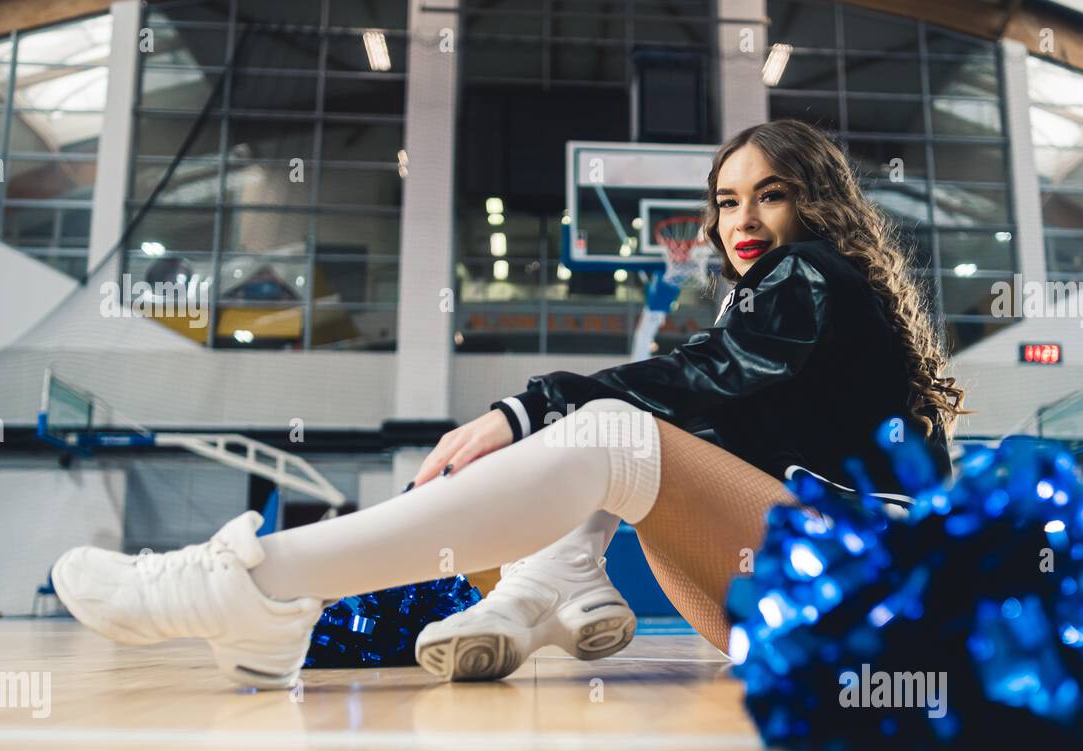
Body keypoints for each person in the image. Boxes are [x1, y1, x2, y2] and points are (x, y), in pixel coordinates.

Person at [51, 118, 965, 689]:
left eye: (773, 194)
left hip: (871, 592)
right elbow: (700, 400)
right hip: (804, 620)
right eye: (727, 200)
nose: (743, 221)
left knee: (613, 432)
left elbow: (697, 378)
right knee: (623, 447)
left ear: (821, 204)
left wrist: (529, 408)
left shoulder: (811, 276)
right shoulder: (797, 305)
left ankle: (256, 583)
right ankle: (544, 584)